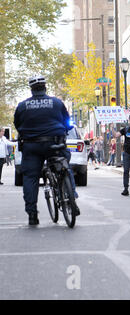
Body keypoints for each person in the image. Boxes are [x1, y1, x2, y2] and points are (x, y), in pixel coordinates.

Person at [14, 75, 79, 225]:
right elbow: (67, 122)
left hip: (31, 146)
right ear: (45, 87)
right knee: (64, 166)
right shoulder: (56, 103)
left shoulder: (22, 106)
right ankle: (71, 197)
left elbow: (17, 125)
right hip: (54, 144)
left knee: (30, 178)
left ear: (31, 89)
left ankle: (32, 214)